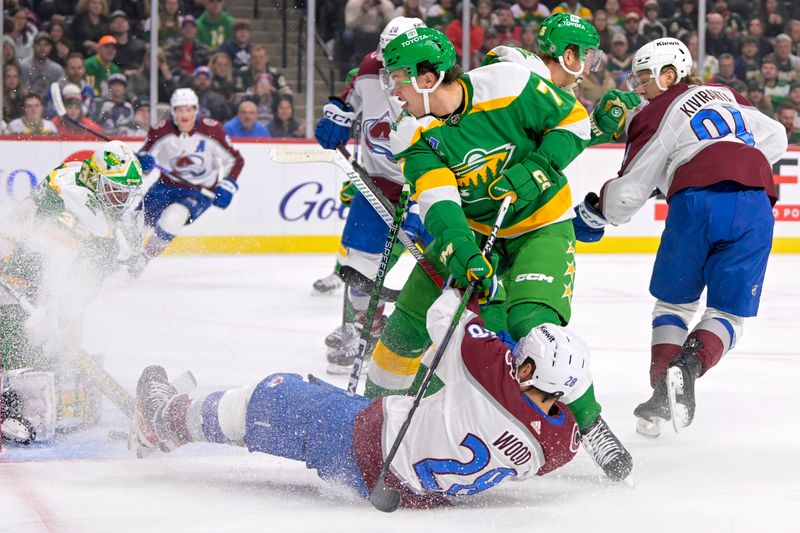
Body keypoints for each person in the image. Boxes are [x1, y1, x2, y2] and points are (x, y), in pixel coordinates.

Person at [366, 22, 633, 481]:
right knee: (407, 323)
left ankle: (590, 424)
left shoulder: (506, 84)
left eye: (397, 78)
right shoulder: (410, 132)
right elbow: (439, 202)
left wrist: (538, 168)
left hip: (539, 228)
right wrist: (464, 252)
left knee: (533, 325)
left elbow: (570, 122)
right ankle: (369, 415)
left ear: (428, 78)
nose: (392, 89)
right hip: (469, 234)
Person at [131, 288, 588, 508]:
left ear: (527, 369)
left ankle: (165, 422)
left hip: (362, 449)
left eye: (520, 358)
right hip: (412, 481)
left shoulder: (492, 371)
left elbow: (442, 312)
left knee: (266, 399)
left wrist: (478, 293)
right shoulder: (560, 443)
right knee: (310, 402)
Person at [571, 37, 787, 437]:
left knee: (673, 304)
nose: (639, 89)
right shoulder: (726, 92)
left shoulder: (656, 111)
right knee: (729, 315)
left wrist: (594, 214)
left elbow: (628, 193)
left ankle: (658, 398)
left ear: (669, 74)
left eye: (644, 79)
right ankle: (687, 369)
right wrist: (729, 155)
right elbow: (775, 137)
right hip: (756, 201)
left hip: (696, 201)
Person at [0, 141, 144, 445]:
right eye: (117, 190)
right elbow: (24, 216)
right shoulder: (68, 184)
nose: (122, 199)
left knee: (45, 343)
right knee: (13, 321)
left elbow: (87, 284)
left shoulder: (111, 228)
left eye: (127, 193)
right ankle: (8, 400)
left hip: (49, 285)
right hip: (23, 270)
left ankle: (22, 386)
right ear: (98, 180)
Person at [312, 17, 428, 371]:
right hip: (376, 182)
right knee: (359, 266)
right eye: (386, 58)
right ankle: (366, 325)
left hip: (430, 186)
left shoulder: (435, 78)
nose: (390, 68)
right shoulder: (368, 70)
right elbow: (349, 102)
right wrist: (338, 115)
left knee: (448, 264)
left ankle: (451, 335)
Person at [132, 88, 244, 276]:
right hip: (165, 186)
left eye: (189, 110)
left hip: (199, 192)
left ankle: (142, 259)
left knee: (172, 219)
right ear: (173, 112)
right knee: (136, 222)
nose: (184, 115)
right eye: (179, 110)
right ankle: (120, 255)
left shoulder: (211, 130)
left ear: (196, 111)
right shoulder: (161, 131)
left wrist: (227, 186)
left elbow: (235, 160)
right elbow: (142, 164)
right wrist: (143, 162)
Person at [18, 32, 64, 100]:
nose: (42, 48)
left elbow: (60, 92)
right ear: (33, 46)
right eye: (39, 44)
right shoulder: (24, 66)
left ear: (51, 47)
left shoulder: (57, 69)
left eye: (46, 45)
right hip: (28, 105)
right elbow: (23, 91)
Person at [166, 15, 211, 82]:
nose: (189, 29)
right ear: (181, 30)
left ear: (196, 30)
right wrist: (187, 76)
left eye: (192, 27)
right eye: (186, 27)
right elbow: (172, 67)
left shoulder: (203, 49)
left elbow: (206, 67)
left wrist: (197, 74)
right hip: (178, 79)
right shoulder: (173, 48)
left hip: (198, 80)